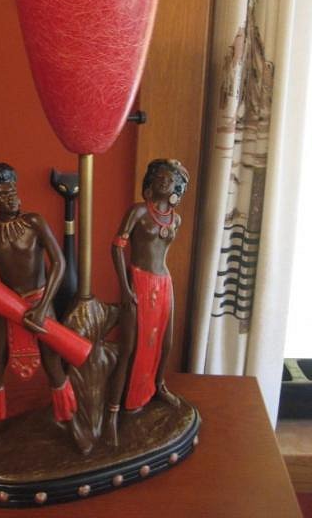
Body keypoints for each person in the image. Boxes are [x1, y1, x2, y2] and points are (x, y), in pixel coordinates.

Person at [0, 163, 77, 448]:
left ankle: (70, 422)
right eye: (4, 194)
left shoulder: (34, 222)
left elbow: (59, 263)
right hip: (7, 307)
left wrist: (44, 306)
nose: (12, 197)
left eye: (13, 190)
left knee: (53, 364)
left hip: (41, 302)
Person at [104, 159, 189, 447]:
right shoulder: (138, 211)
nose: (164, 181)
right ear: (151, 181)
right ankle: (113, 412)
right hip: (139, 281)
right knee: (129, 347)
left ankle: (158, 386)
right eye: (160, 177)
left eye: (170, 179)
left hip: (164, 282)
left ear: (177, 187)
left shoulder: (175, 219)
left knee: (166, 342)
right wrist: (125, 287)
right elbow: (116, 247)